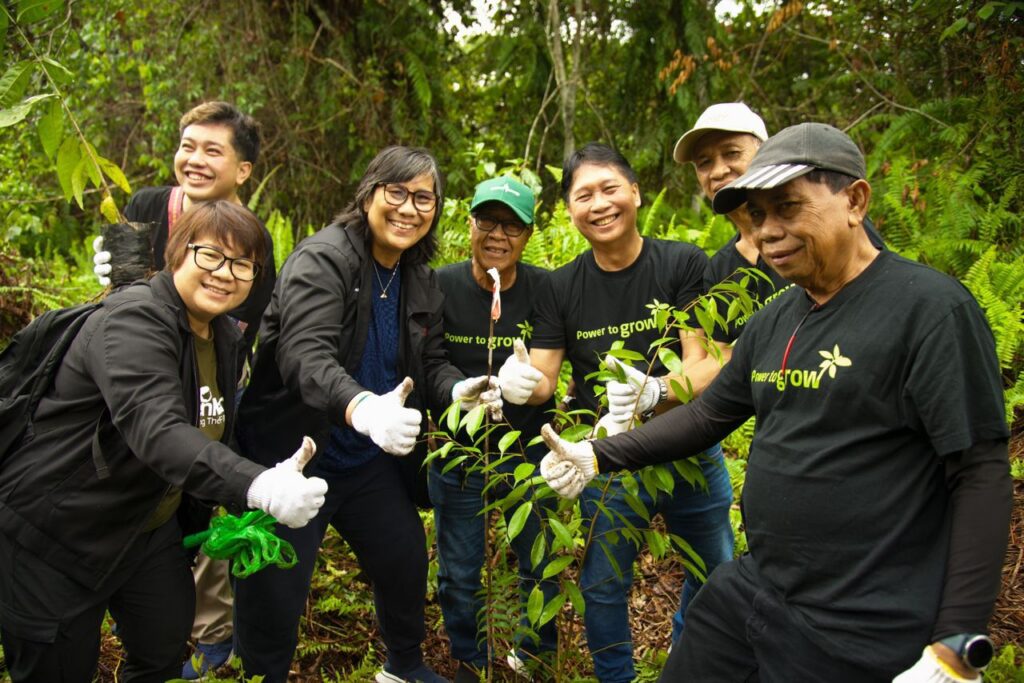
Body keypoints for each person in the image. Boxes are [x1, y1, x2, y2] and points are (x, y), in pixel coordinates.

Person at [538, 123, 1012, 682]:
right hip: (757, 591)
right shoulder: (775, 320)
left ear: (855, 201)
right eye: (758, 216)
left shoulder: (928, 311)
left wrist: (956, 643)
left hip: (863, 618)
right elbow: (709, 415)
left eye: (788, 208)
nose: (769, 232)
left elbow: (979, 471)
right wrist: (599, 454)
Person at [0, 201, 327, 682]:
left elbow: (211, 428)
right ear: (177, 252)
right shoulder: (131, 322)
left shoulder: (221, 335)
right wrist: (258, 486)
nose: (224, 274)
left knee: (162, 650)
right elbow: (157, 431)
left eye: (242, 264)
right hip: (57, 532)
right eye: (210, 255)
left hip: (145, 530)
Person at [233, 146, 501, 683]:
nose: (408, 208)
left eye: (423, 198)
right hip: (294, 454)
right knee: (275, 586)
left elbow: (430, 360)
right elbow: (304, 356)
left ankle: (403, 665)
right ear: (369, 194)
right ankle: (263, 676)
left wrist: (458, 392)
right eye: (396, 193)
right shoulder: (323, 258)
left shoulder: (418, 276)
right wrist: (362, 408)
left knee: (403, 557)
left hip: (363, 460)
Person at [497, 143, 734, 683]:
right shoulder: (561, 287)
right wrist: (517, 383)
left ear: (635, 192)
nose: (599, 204)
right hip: (606, 456)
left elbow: (705, 364)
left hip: (688, 444)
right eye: (584, 195)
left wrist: (655, 391)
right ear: (570, 211)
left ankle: (685, 653)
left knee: (719, 571)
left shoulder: (682, 263)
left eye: (609, 189)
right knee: (604, 584)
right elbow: (546, 381)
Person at [93, 100, 276, 678]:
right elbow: (118, 311)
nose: (194, 160)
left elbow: (232, 331)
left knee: (201, 492)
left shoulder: (252, 241)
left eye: (212, 151)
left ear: (243, 170)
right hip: (130, 386)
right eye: (187, 145)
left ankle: (208, 635)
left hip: (208, 387)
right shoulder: (149, 206)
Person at [431, 176, 558, 682]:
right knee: (460, 571)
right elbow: (428, 358)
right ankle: (467, 656)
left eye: (512, 226)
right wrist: (459, 389)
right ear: (470, 224)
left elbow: (548, 373)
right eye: (487, 221)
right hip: (457, 454)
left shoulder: (546, 287)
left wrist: (531, 385)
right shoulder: (439, 284)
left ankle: (536, 655)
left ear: (528, 234)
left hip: (527, 452)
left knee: (539, 560)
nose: (498, 235)